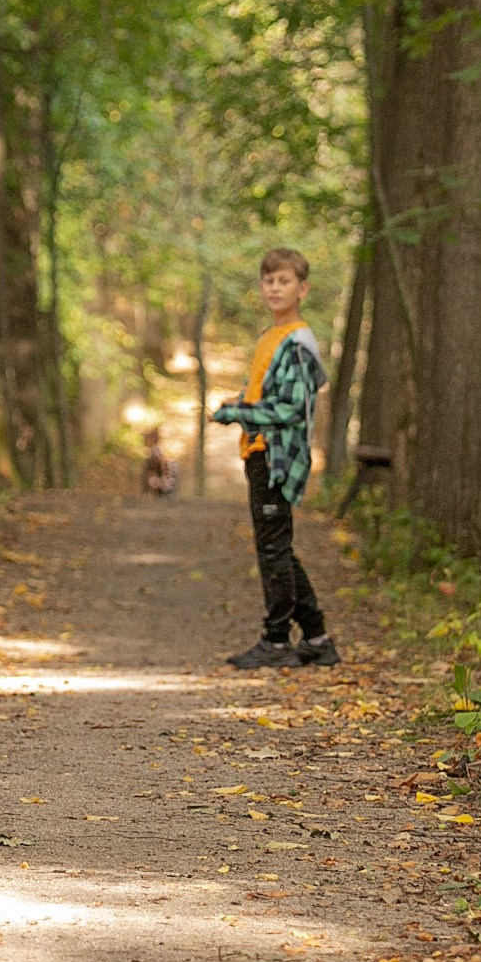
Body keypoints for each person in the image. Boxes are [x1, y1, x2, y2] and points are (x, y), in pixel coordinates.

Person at [213, 245, 339, 670]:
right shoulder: (271, 337)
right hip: (260, 453)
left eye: (284, 281)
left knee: (274, 550)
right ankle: (318, 638)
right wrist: (242, 400)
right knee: (278, 548)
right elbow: (269, 395)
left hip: (278, 457)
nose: (274, 288)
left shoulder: (299, 342)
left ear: (302, 288)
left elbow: (289, 407)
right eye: (269, 280)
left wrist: (237, 412)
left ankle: (277, 640)